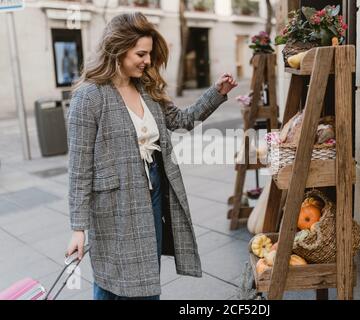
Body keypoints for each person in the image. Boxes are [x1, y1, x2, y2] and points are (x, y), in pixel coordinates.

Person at [65, 12, 238, 300]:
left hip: (154, 191)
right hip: (114, 204)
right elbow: (79, 168)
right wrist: (78, 229)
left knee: (145, 276)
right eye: (140, 53)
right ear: (118, 49)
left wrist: (216, 93)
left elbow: (183, 120)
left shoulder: (147, 87)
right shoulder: (90, 97)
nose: (147, 60)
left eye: (149, 54)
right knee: (112, 281)